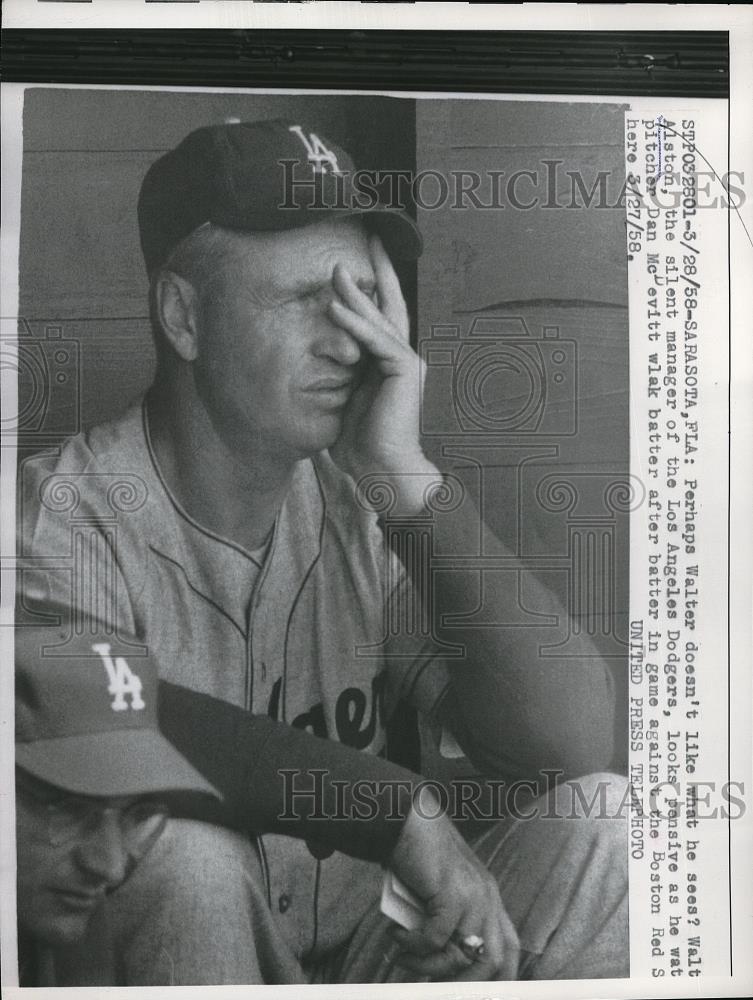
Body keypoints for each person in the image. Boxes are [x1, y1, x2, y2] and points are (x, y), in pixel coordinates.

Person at [16, 118, 628, 984]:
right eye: (308, 301)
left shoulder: (348, 497)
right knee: (183, 857)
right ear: (184, 317)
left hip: (374, 956)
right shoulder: (63, 517)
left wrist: (402, 477)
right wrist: (395, 810)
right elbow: (97, 735)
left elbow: (563, 741)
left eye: (363, 298)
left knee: (602, 819)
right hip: (194, 957)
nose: (352, 340)